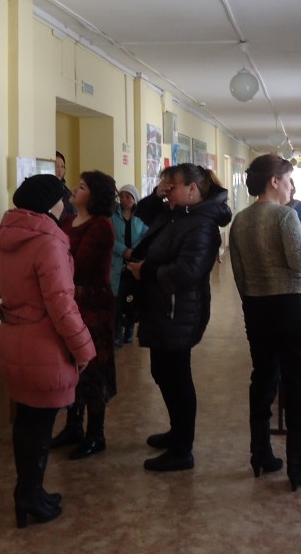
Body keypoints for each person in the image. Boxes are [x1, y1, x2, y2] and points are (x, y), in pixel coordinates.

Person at [0, 174, 95, 528]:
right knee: (40, 424)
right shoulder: (48, 242)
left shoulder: (4, 237)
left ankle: (29, 491)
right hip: (43, 345)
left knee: (26, 420)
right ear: (51, 203)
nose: (66, 204)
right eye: (63, 199)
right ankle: (29, 496)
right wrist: (83, 349)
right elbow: (62, 305)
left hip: (13, 337)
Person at [126, 163, 232, 472]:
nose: (168, 192)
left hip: (179, 310)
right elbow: (143, 216)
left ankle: (183, 449)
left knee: (177, 377)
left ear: (192, 189)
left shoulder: (202, 224)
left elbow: (188, 272)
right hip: (163, 306)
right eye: (166, 187)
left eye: (172, 187)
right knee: (162, 371)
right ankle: (177, 431)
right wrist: (156, 195)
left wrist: (146, 271)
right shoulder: (176, 213)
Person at [230, 154, 301, 491]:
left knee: (263, 378)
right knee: (299, 382)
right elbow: (299, 261)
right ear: (274, 181)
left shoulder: (240, 220)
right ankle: (297, 464)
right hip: (291, 306)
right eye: (288, 181)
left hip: (256, 306)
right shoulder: (286, 216)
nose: (291, 188)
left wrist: (251, 301)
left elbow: (238, 273)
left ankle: (260, 453)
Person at [52, 170, 117, 461]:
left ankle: (96, 434)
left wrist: (57, 266)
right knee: (72, 365)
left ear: (96, 195)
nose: (75, 190)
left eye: (82, 187)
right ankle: (73, 426)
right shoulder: (68, 221)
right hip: (72, 302)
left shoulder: (101, 226)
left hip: (93, 305)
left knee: (94, 368)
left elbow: (78, 264)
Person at [111, 183, 148, 346]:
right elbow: (109, 237)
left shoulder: (141, 217)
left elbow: (147, 236)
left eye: (128, 197)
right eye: (122, 196)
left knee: (132, 298)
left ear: (135, 199)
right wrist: (123, 250)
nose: (124, 199)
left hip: (135, 263)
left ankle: (130, 328)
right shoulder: (113, 216)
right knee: (117, 300)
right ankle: (118, 330)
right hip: (117, 263)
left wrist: (134, 251)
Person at [54, 151, 78, 219]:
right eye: (56, 166)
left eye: (62, 166)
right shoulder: (45, 191)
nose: (60, 170)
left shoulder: (67, 192)